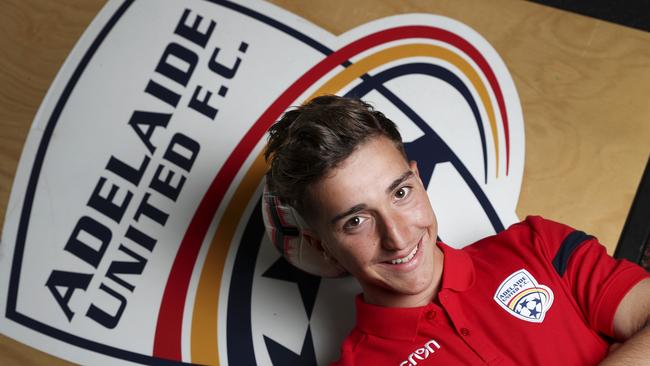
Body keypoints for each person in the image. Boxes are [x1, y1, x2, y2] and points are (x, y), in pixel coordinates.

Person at [263, 95, 650, 365]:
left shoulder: (538, 245)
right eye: (356, 221)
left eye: (400, 192)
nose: (397, 237)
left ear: (418, 180)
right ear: (323, 247)